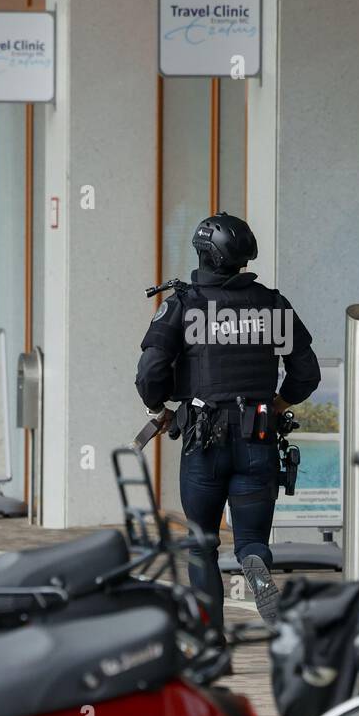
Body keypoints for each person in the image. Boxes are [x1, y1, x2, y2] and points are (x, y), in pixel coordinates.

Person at [135, 213, 320, 629]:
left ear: (202, 253)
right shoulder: (273, 305)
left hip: (204, 442)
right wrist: (276, 404)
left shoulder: (182, 305)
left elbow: (150, 373)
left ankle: (210, 639)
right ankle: (254, 561)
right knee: (251, 539)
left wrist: (157, 410)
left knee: (201, 545)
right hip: (257, 437)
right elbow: (306, 372)